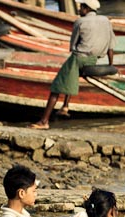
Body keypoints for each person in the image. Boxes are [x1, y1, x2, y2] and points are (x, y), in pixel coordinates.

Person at [29, 0, 116, 130]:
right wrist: (111, 66)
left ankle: (44, 121)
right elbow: (110, 46)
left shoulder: (80, 22)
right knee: (70, 75)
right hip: (93, 60)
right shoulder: (106, 21)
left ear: (86, 8)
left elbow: (73, 46)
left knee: (56, 88)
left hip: (78, 59)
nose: (79, 10)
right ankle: (65, 107)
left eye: (81, 7)